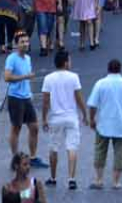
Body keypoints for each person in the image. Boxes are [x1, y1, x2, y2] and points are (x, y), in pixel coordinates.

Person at [86, 58, 122, 190]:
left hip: (103, 123)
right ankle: (116, 181)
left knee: (100, 151)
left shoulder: (100, 84)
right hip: (121, 124)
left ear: (108, 69)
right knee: (120, 153)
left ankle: (99, 179)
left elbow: (92, 104)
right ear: (120, 69)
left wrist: (92, 119)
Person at [39, 50, 84, 188]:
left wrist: (44, 119)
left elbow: (45, 101)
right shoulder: (74, 77)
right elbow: (78, 98)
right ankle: (71, 178)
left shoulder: (48, 78)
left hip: (55, 117)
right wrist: (85, 114)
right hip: (71, 117)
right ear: (65, 62)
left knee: (54, 148)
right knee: (72, 147)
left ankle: (53, 177)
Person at [3, 31, 47, 166]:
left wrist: (29, 91)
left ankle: (33, 158)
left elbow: (28, 78)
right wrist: (25, 77)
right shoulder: (12, 58)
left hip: (26, 97)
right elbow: (7, 77)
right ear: (16, 44)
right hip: (15, 97)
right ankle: (15, 158)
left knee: (34, 127)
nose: (25, 44)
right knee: (16, 128)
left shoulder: (27, 58)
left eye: (27, 41)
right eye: (22, 42)